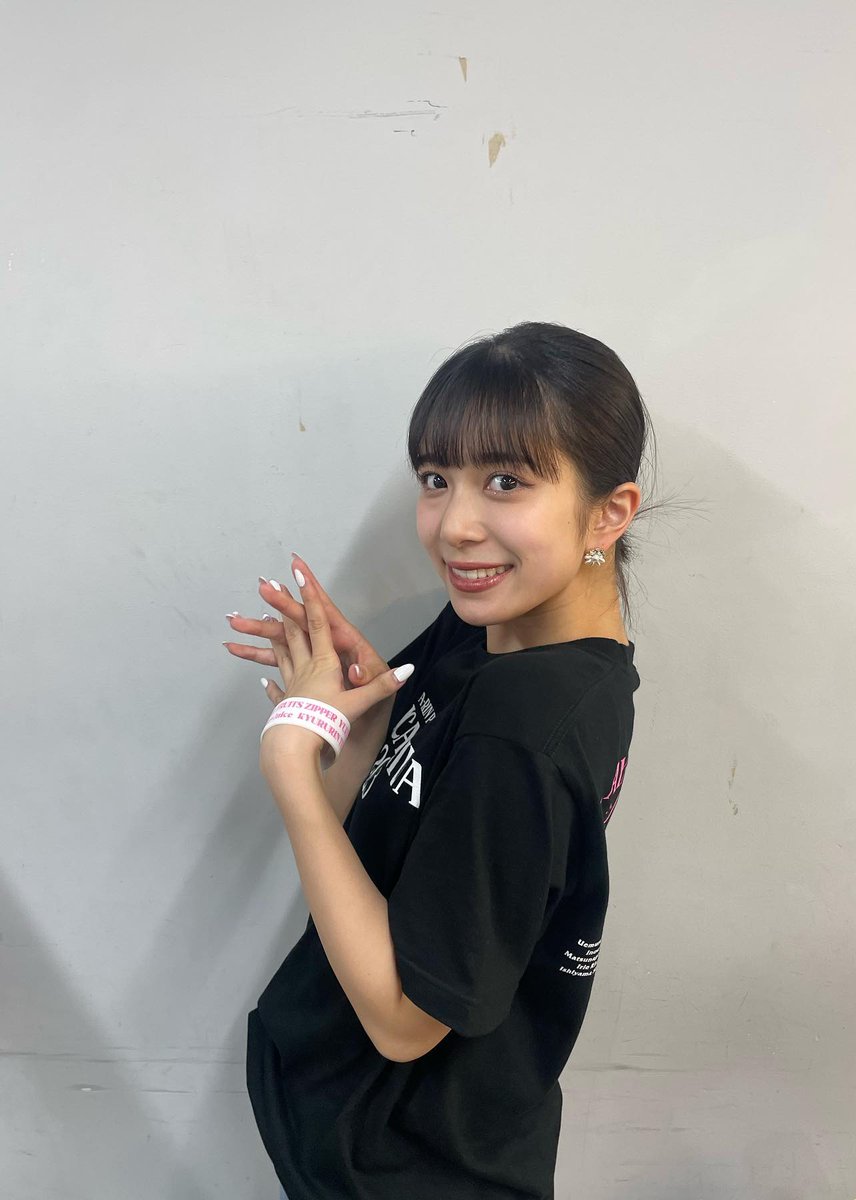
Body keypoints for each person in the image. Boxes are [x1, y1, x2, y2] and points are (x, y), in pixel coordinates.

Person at [224, 321, 656, 1199]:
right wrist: (363, 716)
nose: (455, 526)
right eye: (435, 479)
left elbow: (404, 1021)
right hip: (373, 1127)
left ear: (608, 513)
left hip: (409, 1162)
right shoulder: (493, 631)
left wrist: (291, 774)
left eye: (506, 482)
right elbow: (386, 814)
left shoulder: (526, 722)